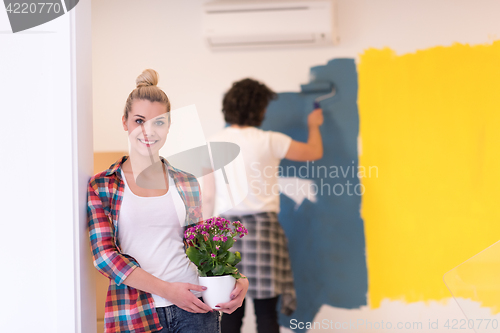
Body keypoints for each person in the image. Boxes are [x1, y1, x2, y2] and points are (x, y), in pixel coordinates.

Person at [87, 69, 249, 333]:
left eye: (159, 122)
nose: (148, 131)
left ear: (169, 126)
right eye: (139, 120)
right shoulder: (103, 185)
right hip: (136, 312)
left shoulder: (186, 182)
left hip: (196, 307)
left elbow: (200, 245)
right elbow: (105, 257)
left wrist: (237, 279)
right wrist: (169, 292)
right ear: (125, 122)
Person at [203, 78, 324, 333]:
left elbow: (207, 198)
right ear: (259, 109)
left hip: (226, 232)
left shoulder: (212, 144)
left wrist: (203, 241)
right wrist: (314, 125)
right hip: (264, 230)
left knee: (229, 311)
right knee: (267, 313)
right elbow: (313, 152)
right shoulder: (270, 140)